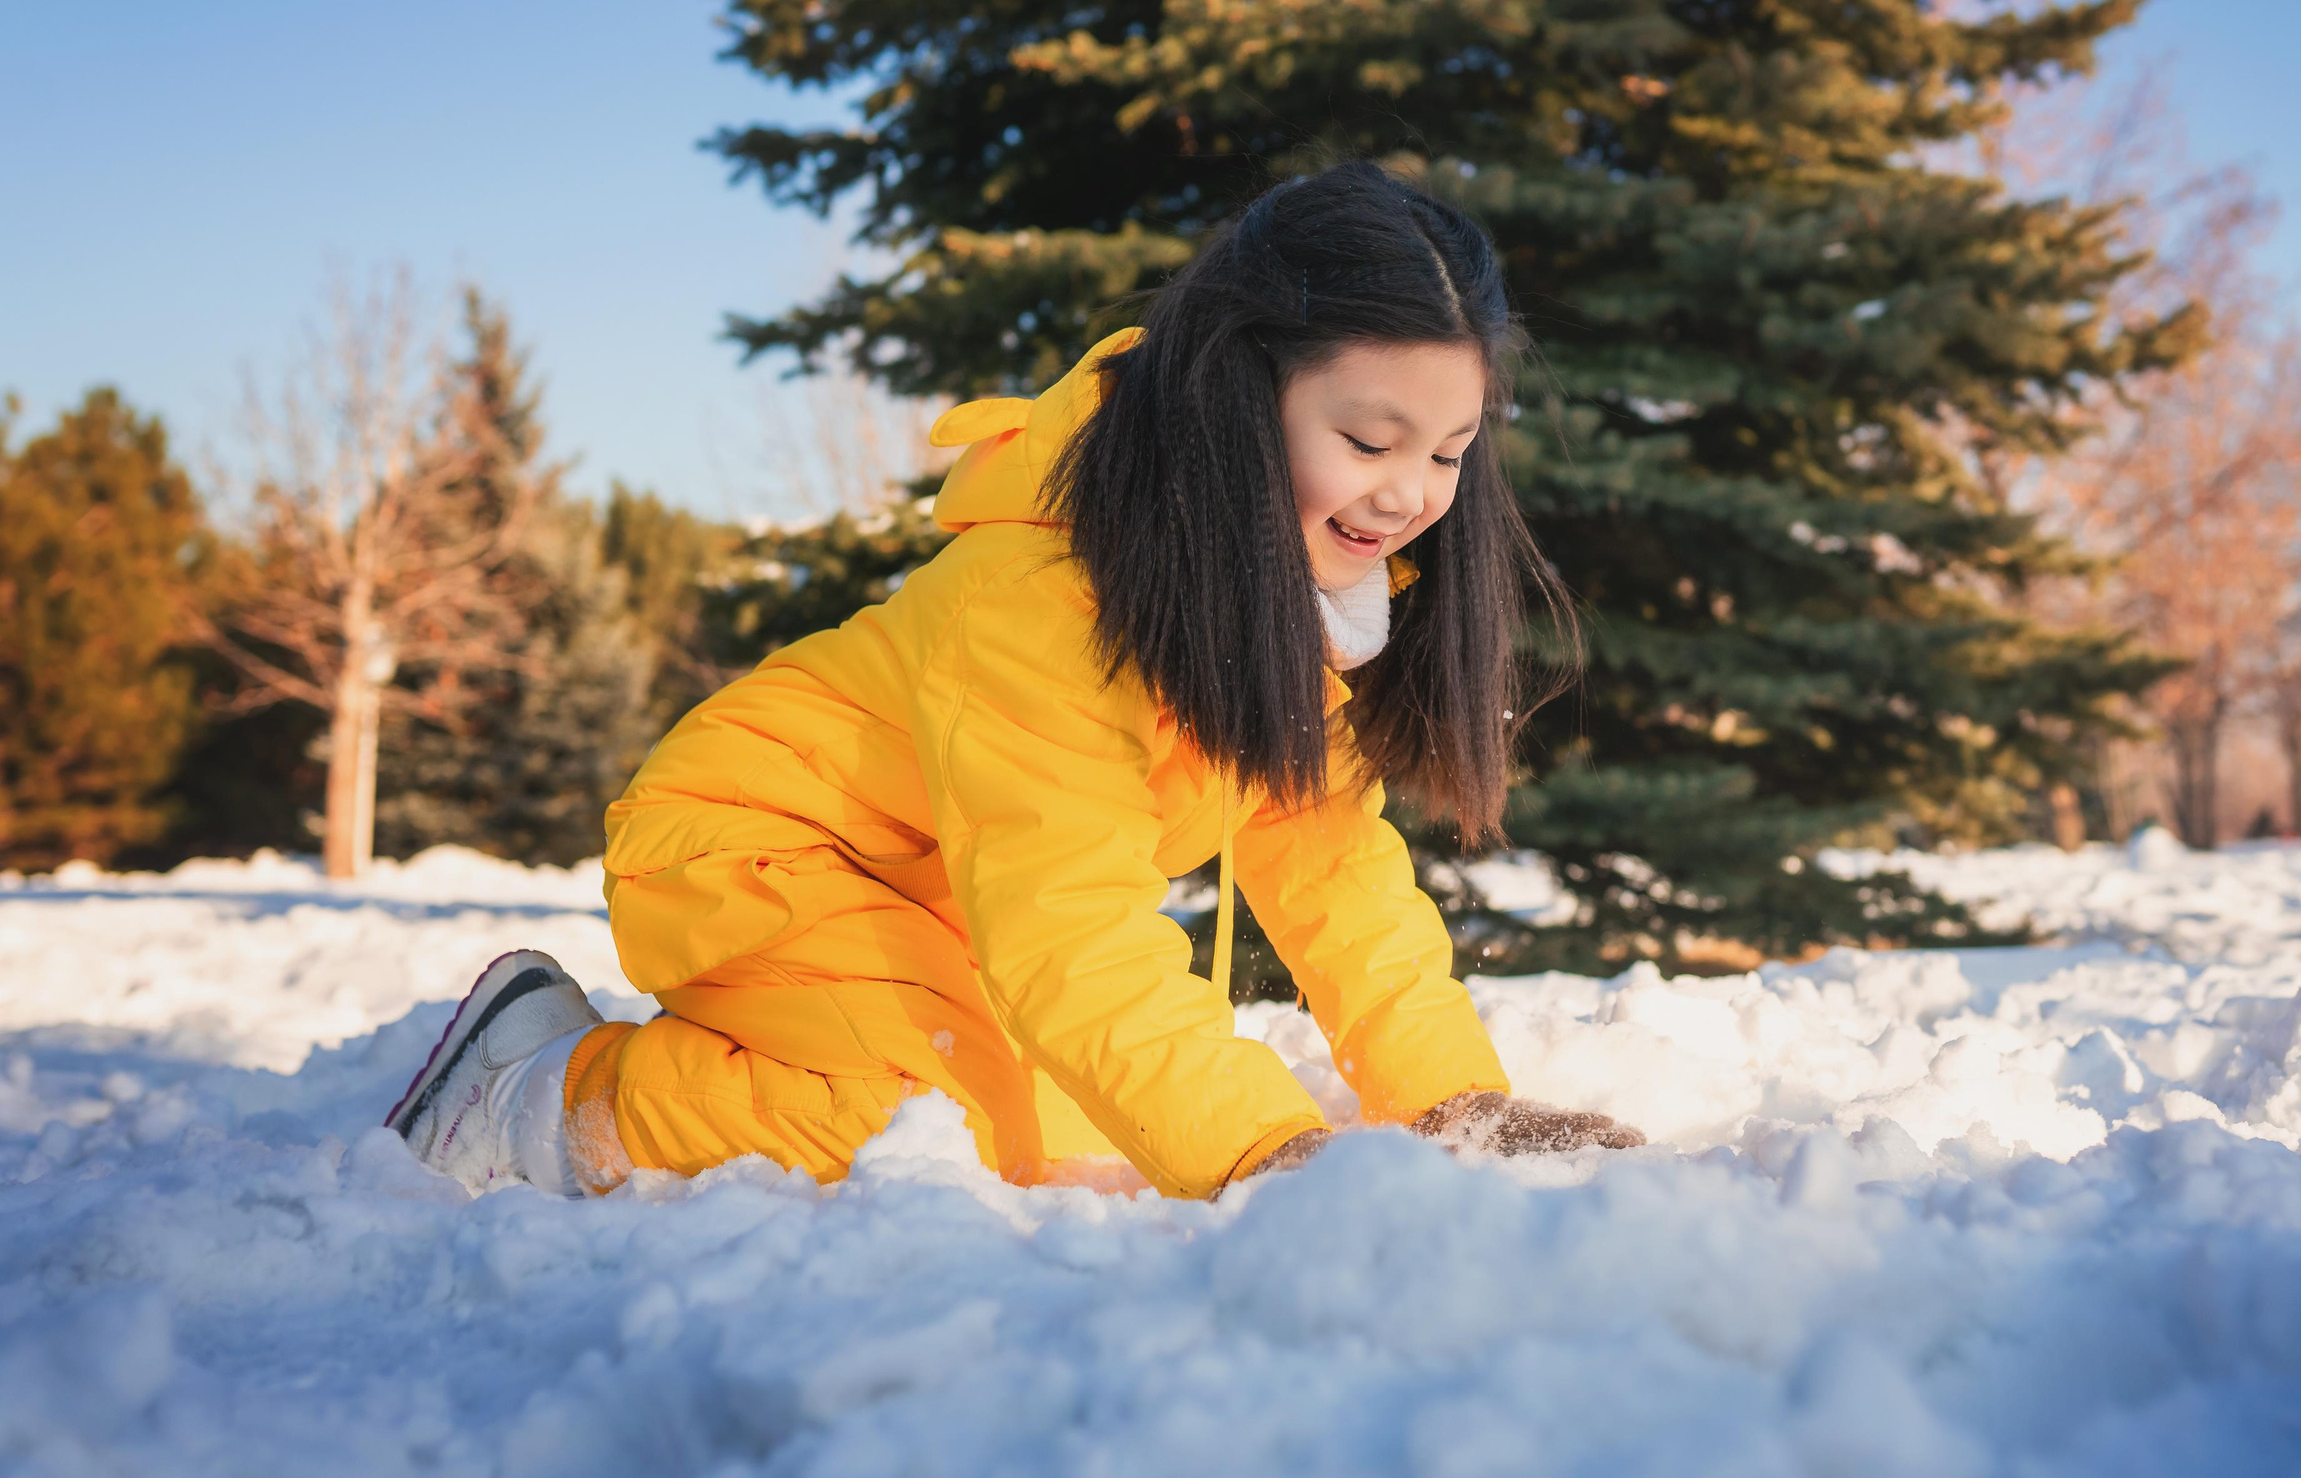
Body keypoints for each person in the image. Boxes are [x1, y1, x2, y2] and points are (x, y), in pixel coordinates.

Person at [386, 163, 1644, 1201]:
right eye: (1368, 440)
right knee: (927, 1140)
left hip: (940, 881)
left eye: (1448, 451)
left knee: (1071, 1135)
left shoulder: (1310, 598)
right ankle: (549, 1099)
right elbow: (1070, 923)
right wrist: (1266, 1156)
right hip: (756, 845)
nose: (1410, 494)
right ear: (1236, 396)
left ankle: (692, 1053)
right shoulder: (1047, 602)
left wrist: (1452, 1101)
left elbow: (1329, 869)